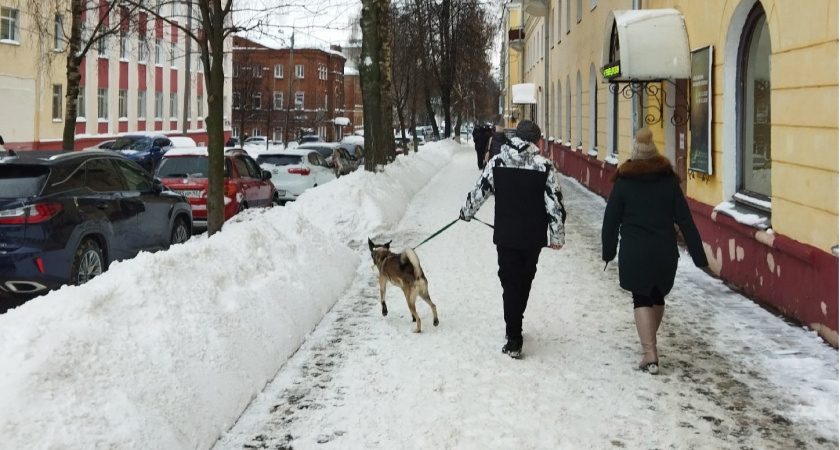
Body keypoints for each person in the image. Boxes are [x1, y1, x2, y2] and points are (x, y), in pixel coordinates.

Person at [601, 128, 708, 375]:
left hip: (634, 251)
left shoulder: (623, 182)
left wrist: (608, 252)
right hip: (664, 251)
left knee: (641, 297)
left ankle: (650, 352)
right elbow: (685, 219)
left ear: (635, 154)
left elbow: (610, 221)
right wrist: (699, 256)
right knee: (657, 295)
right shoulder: (669, 182)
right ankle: (649, 346)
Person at [459, 119, 566, 359]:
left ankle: (514, 332)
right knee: (525, 280)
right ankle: (515, 330)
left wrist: (467, 212)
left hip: (506, 234)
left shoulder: (498, 162)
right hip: (532, 237)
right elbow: (555, 203)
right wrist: (556, 235)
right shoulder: (544, 166)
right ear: (537, 140)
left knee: (510, 283)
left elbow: (480, 189)